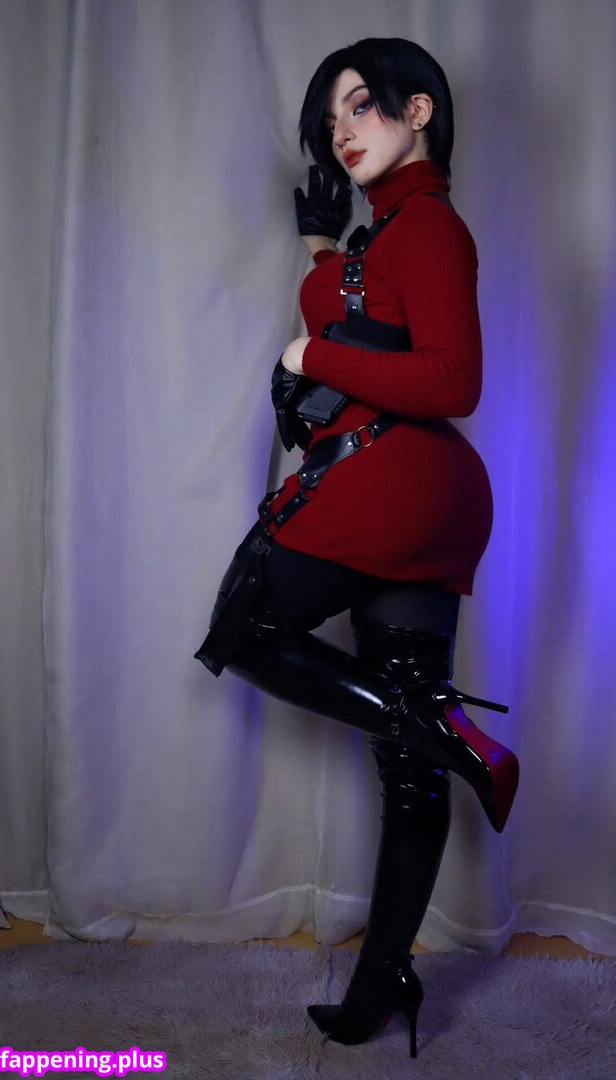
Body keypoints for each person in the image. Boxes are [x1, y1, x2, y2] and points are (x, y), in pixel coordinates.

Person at [195, 37, 519, 1059]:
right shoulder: (389, 234)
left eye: (360, 105)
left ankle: (451, 736)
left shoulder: (430, 228)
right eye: (329, 118)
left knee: (242, 629)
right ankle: (381, 987)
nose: (341, 130)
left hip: (390, 483)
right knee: (408, 763)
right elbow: (372, 315)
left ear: (418, 110)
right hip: (426, 496)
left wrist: (309, 350)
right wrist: (319, 256)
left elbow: (453, 380)